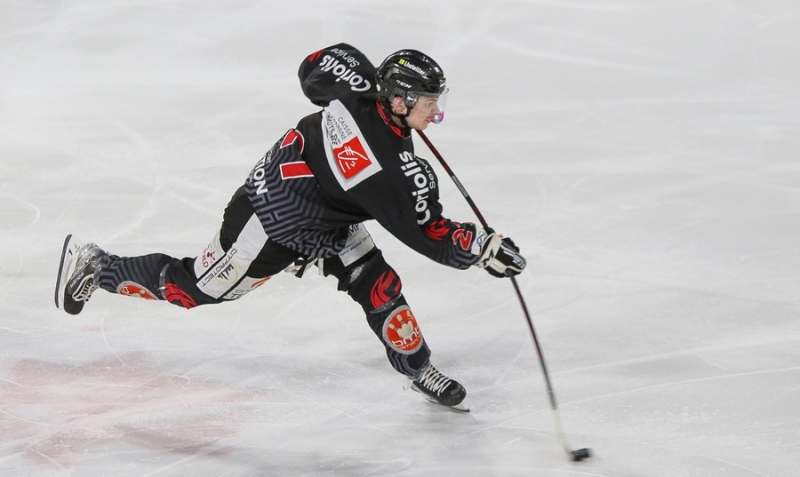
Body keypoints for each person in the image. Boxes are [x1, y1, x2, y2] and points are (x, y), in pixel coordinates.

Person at [55, 44, 526, 412]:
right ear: (399, 99)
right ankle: (96, 267)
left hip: (326, 212)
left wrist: (362, 73)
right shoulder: (392, 173)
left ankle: (419, 368)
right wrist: (484, 248)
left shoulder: (360, 92)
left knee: (379, 286)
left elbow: (314, 67)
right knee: (195, 290)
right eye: (428, 102)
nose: (436, 111)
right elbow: (428, 233)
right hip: (272, 220)